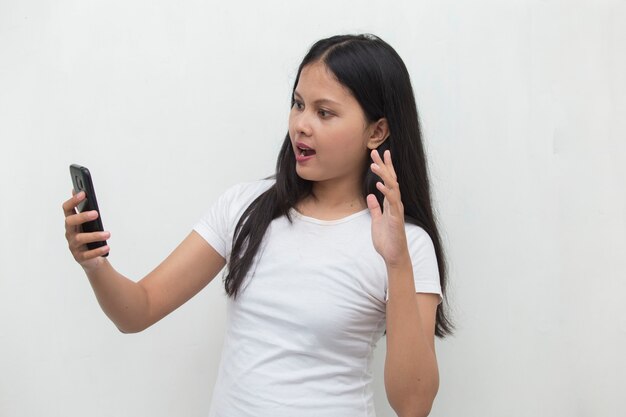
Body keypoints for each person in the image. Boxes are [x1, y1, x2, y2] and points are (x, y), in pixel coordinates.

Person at [62, 33, 453, 417]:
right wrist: (95, 264)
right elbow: (137, 311)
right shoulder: (245, 207)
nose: (301, 124)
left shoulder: (405, 244)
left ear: (377, 131)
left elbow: (413, 405)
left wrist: (397, 262)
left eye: (324, 112)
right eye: (298, 104)